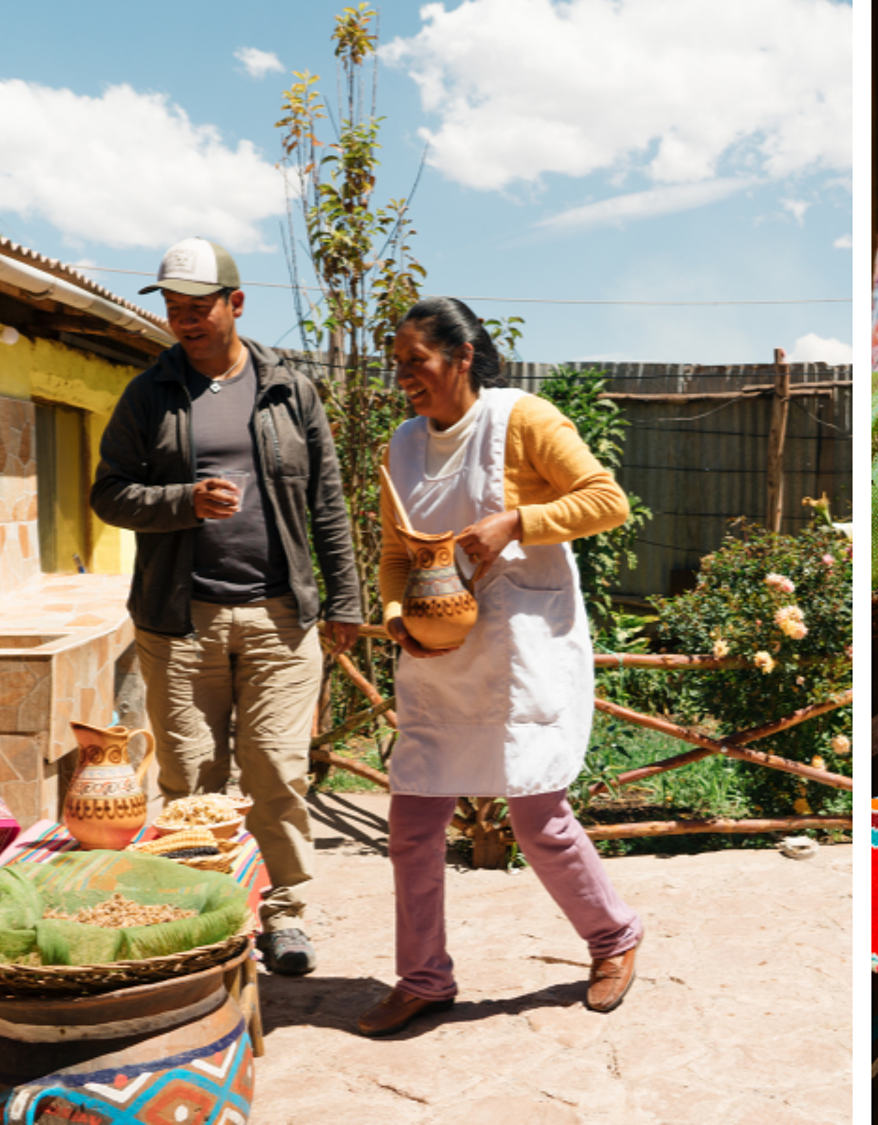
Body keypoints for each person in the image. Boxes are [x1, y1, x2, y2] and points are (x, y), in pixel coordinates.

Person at [357, 296, 641, 1037]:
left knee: (536, 815)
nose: (405, 379)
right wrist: (395, 618)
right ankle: (424, 976)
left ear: (462, 357)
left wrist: (521, 519)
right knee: (414, 819)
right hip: (439, 656)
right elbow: (394, 555)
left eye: (416, 362)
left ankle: (614, 938)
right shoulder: (402, 446)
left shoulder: (524, 420)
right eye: (399, 366)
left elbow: (608, 500)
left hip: (519, 650)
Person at [90, 237, 362, 976]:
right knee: (189, 778)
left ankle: (284, 913)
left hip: (280, 614)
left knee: (275, 767)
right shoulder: (148, 394)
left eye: (198, 306)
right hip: (180, 620)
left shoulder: (289, 389)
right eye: (174, 307)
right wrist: (183, 500)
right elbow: (108, 492)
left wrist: (347, 598)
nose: (185, 320)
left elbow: (327, 500)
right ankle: (205, 914)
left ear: (235, 304)